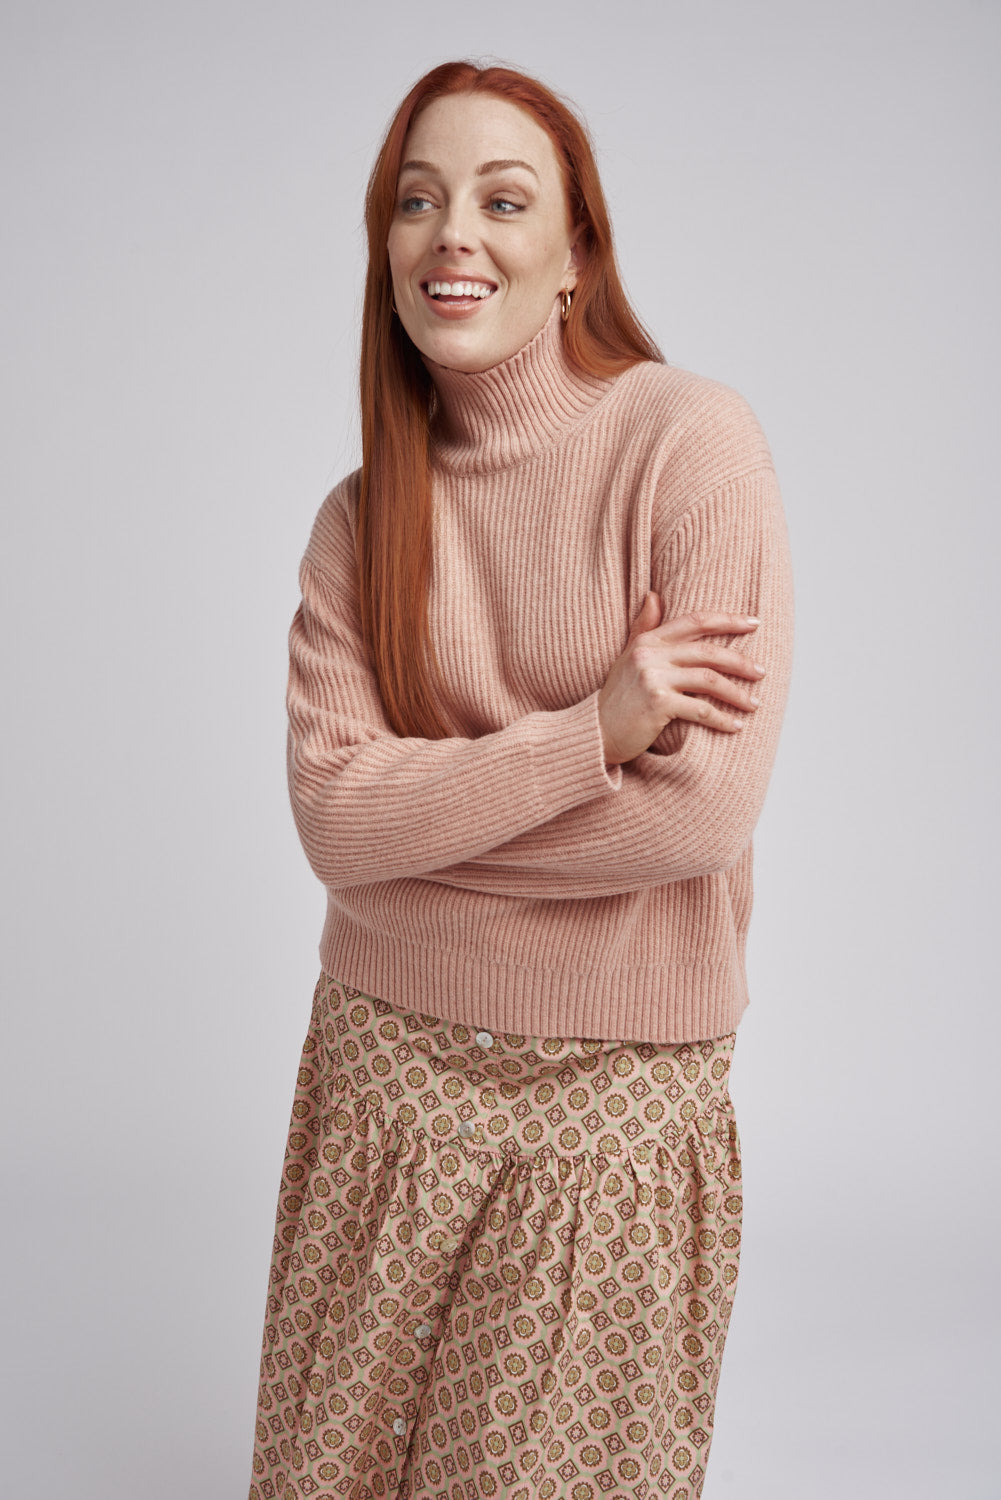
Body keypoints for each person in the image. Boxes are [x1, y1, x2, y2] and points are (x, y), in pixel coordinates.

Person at [248, 58, 794, 1500]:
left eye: (503, 200)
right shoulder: (358, 522)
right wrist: (590, 735)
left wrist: (413, 832)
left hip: (609, 1109)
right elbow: (332, 818)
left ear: (576, 255)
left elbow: (703, 814)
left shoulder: (690, 447)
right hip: (384, 1082)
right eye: (415, 201)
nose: (453, 236)